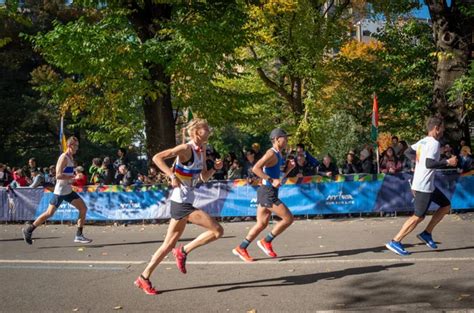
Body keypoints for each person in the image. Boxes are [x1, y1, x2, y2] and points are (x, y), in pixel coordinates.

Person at [134, 118, 224, 295]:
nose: (209, 130)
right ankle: (183, 251)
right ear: (197, 131)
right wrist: (171, 176)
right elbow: (157, 158)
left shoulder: (203, 149)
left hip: (186, 201)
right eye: (206, 128)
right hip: (181, 202)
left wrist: (215, 168)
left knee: (167, 245)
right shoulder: (185, 149)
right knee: (217, 231)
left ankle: (143, 277)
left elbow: (203, 178)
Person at [385, 116, 457, 256]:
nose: (443, 131)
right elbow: (429, 164)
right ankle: (395, 241)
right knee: (418, 216)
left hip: (425, 183)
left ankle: (427, 233)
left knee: (445, 205)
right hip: (424, 185)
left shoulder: (423, 141)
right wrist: (448, 162)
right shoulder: (434, 143)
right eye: (442, 128)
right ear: (436, 128)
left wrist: (418, 162)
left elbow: (407, 152)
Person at [232, 128, 295, 262]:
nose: (287, 140)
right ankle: (266, 241)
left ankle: (241, 248)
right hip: (267, 192)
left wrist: (289, 169)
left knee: (261, 223)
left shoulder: (278, 154)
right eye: (285, 137)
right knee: (288, 218)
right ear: (277, 139)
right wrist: (271, 181)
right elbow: (255, 168)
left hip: (266, 191)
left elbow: (278, 178)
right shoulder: (271, 153)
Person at [22, 136, 92, 245]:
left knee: (83, 209)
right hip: (60, 192)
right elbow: (58, 176)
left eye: (78, 145)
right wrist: (73, 178)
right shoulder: (63, 157)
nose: (77, 148)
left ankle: (79, 235)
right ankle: (29, 230)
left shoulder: (71, 158)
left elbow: (67, 173)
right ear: (69, 145)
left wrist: (74, 176)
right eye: (76, 145)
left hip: (67, 191)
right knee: (49, 213)